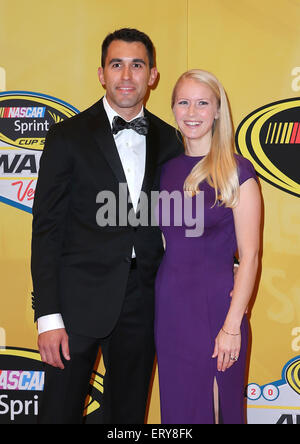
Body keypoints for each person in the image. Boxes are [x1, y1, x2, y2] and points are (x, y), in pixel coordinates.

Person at [31, 28, 183, 424]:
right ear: (102, 74)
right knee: (59, 414)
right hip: (75, 302)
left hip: (143, 302)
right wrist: (48, 317)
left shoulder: (171, 140)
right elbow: (46, 230)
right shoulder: (67, 136)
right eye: (117, 65)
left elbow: (188, 217)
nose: (127, 76)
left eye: (137, 65)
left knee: (128, 417)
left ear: (152, 75)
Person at [154, 69, 261, 424]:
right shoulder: (165, 171)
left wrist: (232, 327)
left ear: (217, 111)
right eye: (183, 102)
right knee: (179, 413)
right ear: (172, 109)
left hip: (216, 310)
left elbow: (250, 257)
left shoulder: (237, 172)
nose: (192, 112)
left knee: (217, 410)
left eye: (203, 103)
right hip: (170, 309)